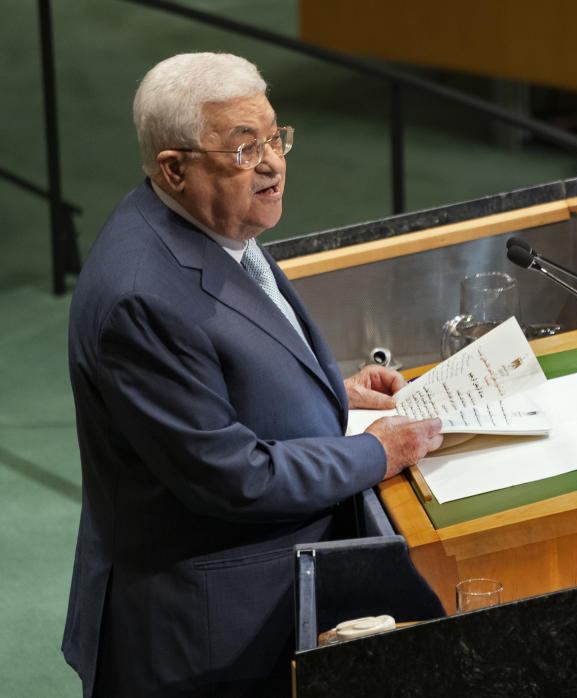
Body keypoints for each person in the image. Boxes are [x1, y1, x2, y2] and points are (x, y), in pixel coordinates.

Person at [61, 52, 443, 697]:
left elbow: (222, 377)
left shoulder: (208, 224)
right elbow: (230, 478)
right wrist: (375, 453)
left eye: (274, 137)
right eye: (243, 149)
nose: (270, 163)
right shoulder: (142, 299)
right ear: (174, 169)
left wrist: (328, 394)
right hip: (206, 635)